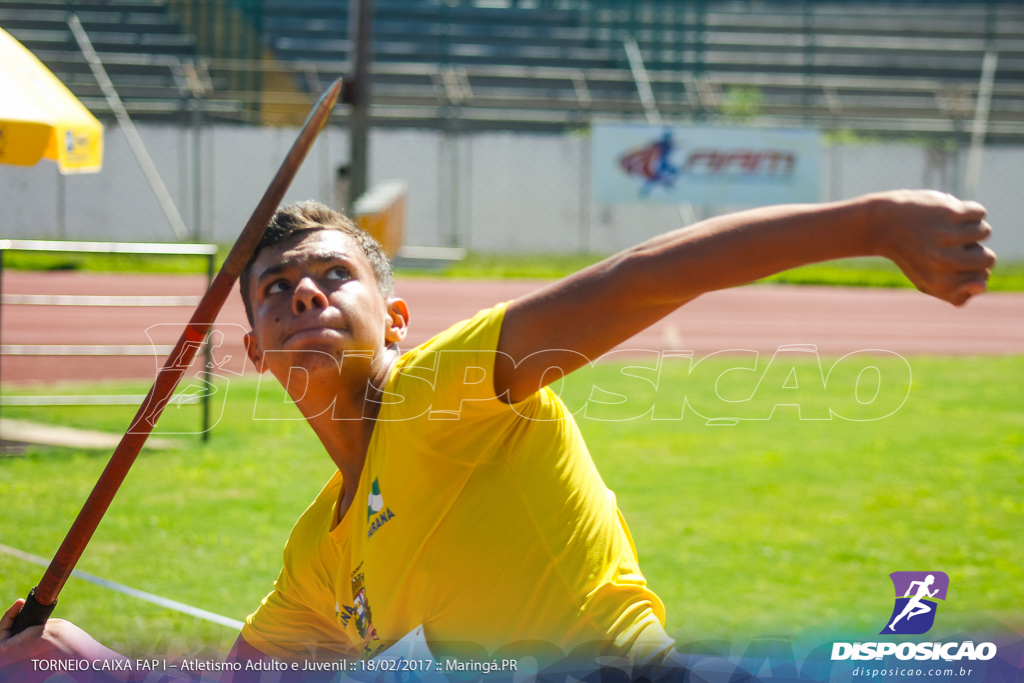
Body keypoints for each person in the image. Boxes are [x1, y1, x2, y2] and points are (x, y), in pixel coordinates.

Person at [0, 191, 995, 680]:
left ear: (395, 321)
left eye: (333, 275)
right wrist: (76, 656)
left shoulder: (449, 387)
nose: (303, 288)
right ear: (255, 348)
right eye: (274, 288)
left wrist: (871, 223)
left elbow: (641, 277)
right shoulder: (316, 553)